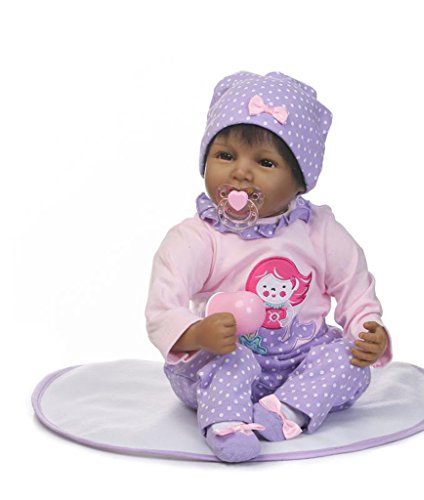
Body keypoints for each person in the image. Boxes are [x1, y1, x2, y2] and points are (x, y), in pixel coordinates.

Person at [145, 71, 391, 463]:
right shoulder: (197, 236)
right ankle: (225, 423)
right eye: (225, 156)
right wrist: (197, 333)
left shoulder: (318, 230)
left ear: (300, 181)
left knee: (351, 363)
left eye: (264, 162)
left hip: (298, 365)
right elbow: (163, 307)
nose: (241, 172)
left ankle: (285, 411)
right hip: (220, 360)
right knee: (232, 361)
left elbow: (354, 287)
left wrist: (367, 330)